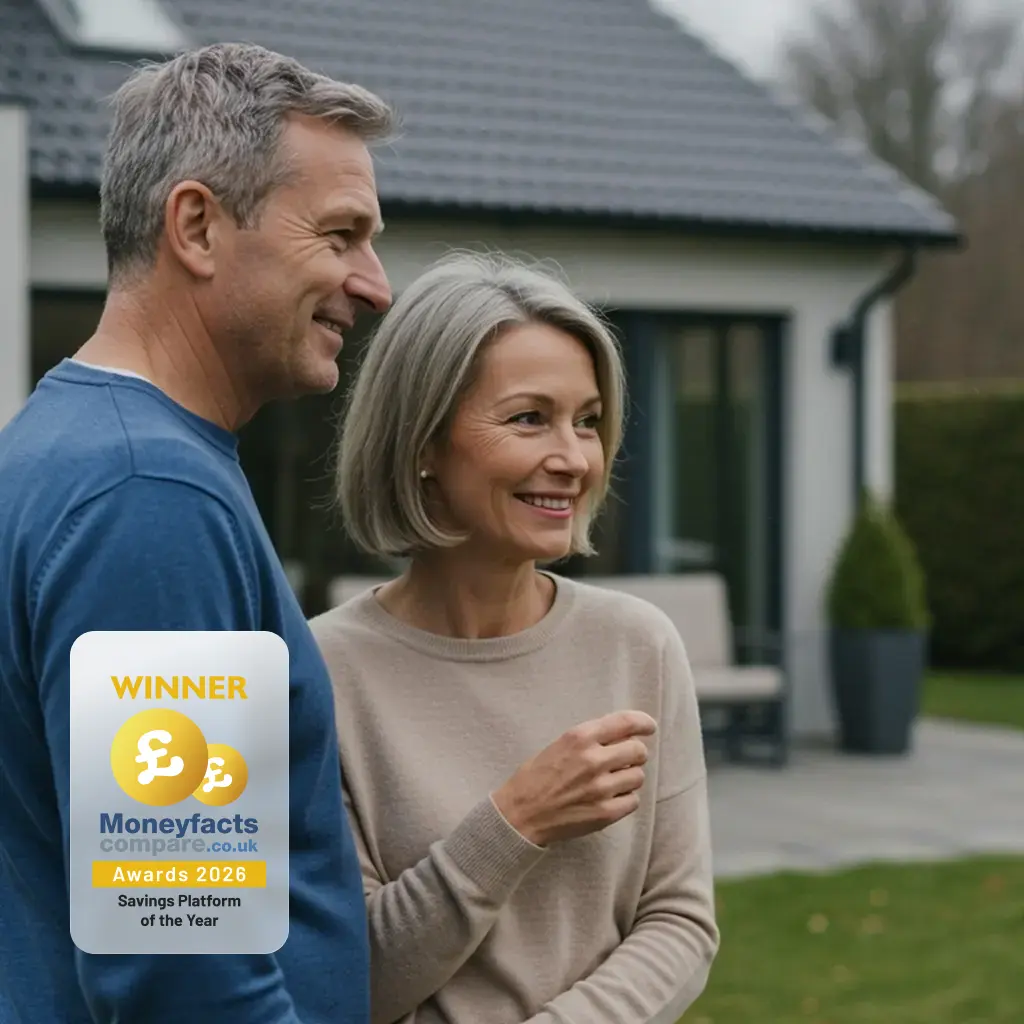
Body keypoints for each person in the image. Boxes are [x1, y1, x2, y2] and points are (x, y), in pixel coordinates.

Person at [0, 43, 394, 1024]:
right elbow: (179, 962)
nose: (374, 283)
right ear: (198, 226)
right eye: (340, 235)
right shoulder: (148, 492)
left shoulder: (66, 441)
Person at [310, 252, 720, 1024]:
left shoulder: (638, 647)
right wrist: (515, 822)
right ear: (422, 443)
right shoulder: (321, 671)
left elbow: (680, 923)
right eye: (530, 417)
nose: (573, 459)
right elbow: (351, 983)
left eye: (588, 421)